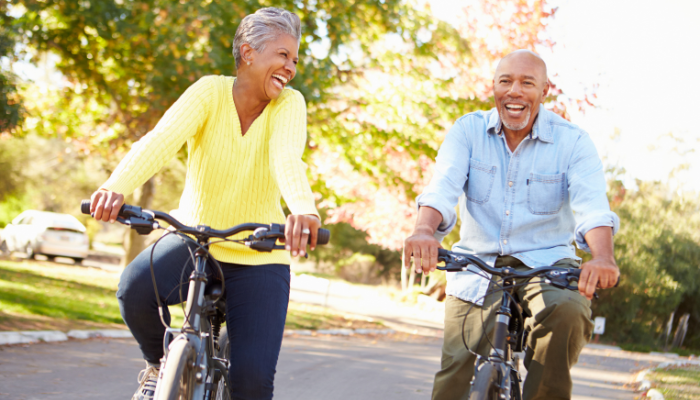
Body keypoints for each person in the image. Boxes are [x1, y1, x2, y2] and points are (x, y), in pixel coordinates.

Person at [88, 8, 320, 400]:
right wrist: (116, 187)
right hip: (195, 239)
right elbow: (160, 141)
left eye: (294, 59)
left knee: (252, 384)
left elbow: (286, 158)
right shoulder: (208, 92)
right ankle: (158, 366)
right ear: (248, 53)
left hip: (260, 255)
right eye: (283, 55)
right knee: (133, 290)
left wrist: (303, 209)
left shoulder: (289, 104)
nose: (291, 67)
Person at [403, 49, 620, 400]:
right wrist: (424, 230)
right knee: (454, 377)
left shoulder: (573, 142)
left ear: (545, 91)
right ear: (493, 88)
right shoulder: (468, 131)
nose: (514, 91)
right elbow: (442, 187)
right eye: (505, 81)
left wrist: (602, 257)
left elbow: (592, 207)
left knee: (567, 312)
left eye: (527, 83)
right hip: (478, 261)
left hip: (547, 264)